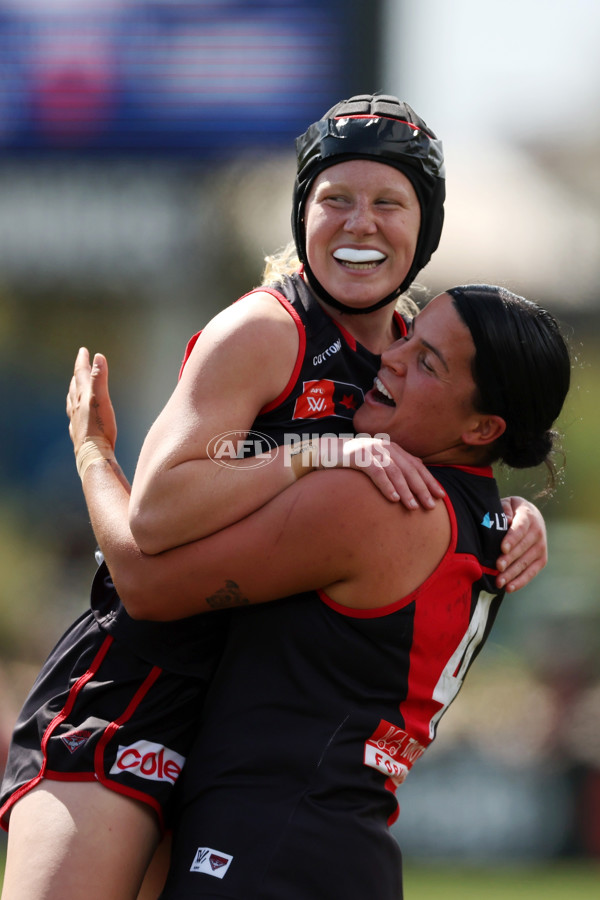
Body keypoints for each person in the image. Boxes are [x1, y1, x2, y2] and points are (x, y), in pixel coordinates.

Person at [0, 93, 548, 900]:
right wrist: (312, 451)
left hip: (248, 728)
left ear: (423, 230)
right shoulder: (266, 330)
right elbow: (155, 516)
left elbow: (452, 470)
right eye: (335, 200)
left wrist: (517, 513)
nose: (360, 224)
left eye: (388, 203)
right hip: (131, 690)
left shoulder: (412, 355)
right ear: (302, 216)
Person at [71, 286, 572, 899]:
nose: (391, 357)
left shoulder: (376, 501)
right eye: (408, 336)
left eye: (426, 362)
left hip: (264, 849)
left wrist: (95, 453)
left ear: (482, 427)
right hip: (342, 849)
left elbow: (144, 585)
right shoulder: (492, 523)